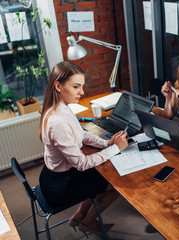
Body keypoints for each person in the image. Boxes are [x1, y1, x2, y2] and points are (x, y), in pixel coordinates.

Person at [39, 61, 128, 236]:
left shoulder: (61, 107)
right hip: (59, 186)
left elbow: (81, 134)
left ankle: (78, 216)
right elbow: (81, 163)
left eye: (82, 86)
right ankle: (87, 222)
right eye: (76, 87)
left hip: (58, 174)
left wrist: (106, 144)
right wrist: (115, 150)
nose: (82, 92)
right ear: (58, 86)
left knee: (98, 175)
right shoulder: (57, 122)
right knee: (114, 184)